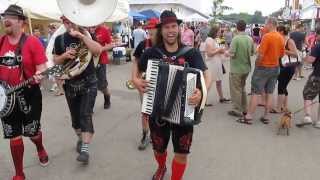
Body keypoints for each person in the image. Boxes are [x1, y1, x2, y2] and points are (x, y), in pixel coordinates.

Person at [135, 10, 210, 180]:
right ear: (161, 30)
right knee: (158, 149)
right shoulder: (152, 53)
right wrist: (136, 80)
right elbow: (137, 68)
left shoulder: (191, 53)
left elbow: (206, 75)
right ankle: (161, 167)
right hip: (157, 111)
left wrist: (202, 93)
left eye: (174, 26)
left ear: (179, 28)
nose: (171, 30)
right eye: (167, 27)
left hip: (184, 112)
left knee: (182, 153)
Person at [0, 5, 49, 180]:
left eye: (10, 16)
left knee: (33, 132)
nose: (6, 19)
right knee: (14, 135)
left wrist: (39, 76)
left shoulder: (32, 42)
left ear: (20, 21)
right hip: (5, 99)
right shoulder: (0, 42)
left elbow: (43, 69)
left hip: (29, 95)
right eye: (4, 16)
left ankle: (40, 147)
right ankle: (19, 174)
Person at [53, 16, 101, 164]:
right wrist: (64, 56)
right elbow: (55, 60)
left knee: (85, 114)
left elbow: (97, 50)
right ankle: (81, 139)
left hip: (89, 81)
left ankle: (85, 149)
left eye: (71, 21)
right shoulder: (59, 39)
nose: (69, 24)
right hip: (70, 83)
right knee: (75, 120)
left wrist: (80, 35)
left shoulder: (86, 35)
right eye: (66, 22)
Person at [240, 17, 285, 125]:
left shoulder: (267, 37)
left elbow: (260, 54)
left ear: (270, 24)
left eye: (266, 24)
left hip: (263, 67)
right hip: (275, 67)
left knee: (256, 92)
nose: (265, 26)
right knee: (269, 92)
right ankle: (266, 116)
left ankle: (249, 116)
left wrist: (257, 64)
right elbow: (282, 54)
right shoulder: (280, 37)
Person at [132, 18, 159, 150]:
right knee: (145, 111)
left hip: (161, 84)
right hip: (145, 83)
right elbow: (136, 61)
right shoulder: (143, 45)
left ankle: (157, 135)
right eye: (149, 30)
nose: (150, 33)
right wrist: (135, 78)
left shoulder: (166, 45)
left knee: (158, 111)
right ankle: (145, 134)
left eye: (153, 30)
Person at [227, 20, 254, 117]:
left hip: (236, 68)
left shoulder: (236, 39)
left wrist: (226, 53)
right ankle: (244, 108)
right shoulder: (249, 39)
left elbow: (232, 54)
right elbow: (252, 52)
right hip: (246, 67)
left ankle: (237, 109)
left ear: (237, 27)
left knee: (236, 90)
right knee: (242, 88)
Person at [270, 25, 298, 114]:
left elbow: (295, 54)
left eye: (277, 31)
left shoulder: (289, 41)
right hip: (282, 66)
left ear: (281, 31)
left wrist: (283, 50)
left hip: (288, 66)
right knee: (283, 86)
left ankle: (278, 108)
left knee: (281, 87)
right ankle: (284, 107)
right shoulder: (281, 40)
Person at [89, 24, 114, 109]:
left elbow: (111, 45)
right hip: (88, 62)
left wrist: (100, 49)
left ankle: (107, 98)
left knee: (102, 86)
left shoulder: (104, 29)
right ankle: (89, 107)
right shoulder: (85, 29)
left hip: (101, 61)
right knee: (90, 86)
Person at [299, 28, 320, 128]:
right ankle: (319, 122)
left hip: (317, 75)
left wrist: (304, 57)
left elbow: (311, 60)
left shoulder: (318, 46)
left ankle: (308, 116)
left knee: (307, 94)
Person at [205, 25, 230, 105]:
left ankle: (221, 98)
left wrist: (223, 51)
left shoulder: (215, 39)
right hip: (211, 64)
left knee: (219, 81)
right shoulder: (209, 40)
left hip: (217, 63)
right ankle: (204, 100)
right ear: (215, 32)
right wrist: (219, 50)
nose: (220, 33)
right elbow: (209, 54)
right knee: (209, 82)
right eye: (219, 31)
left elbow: (216, 51)